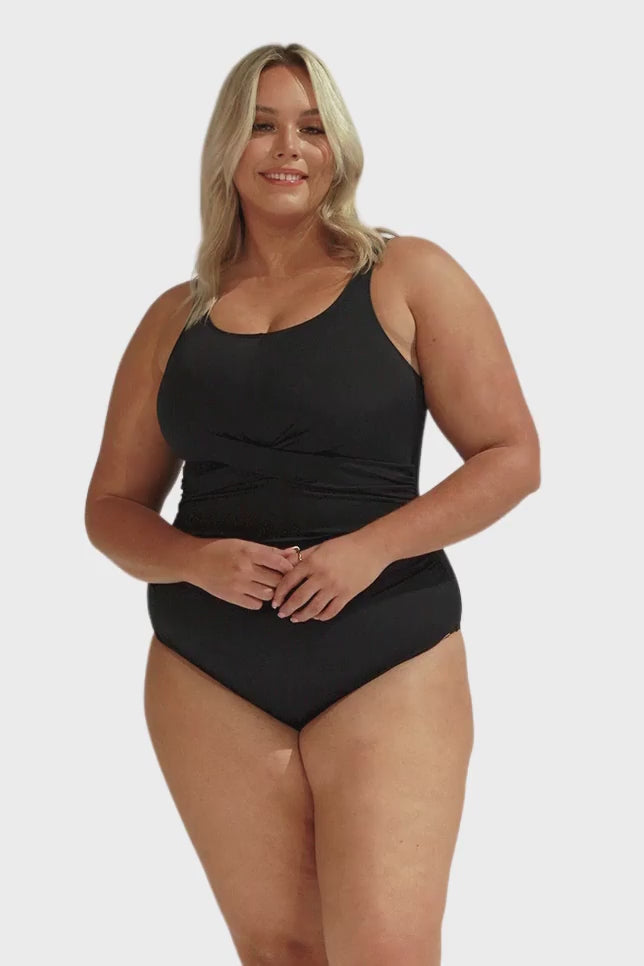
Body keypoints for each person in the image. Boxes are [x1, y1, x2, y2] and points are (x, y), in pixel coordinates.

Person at [85, 42, 540, 966]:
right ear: (227, 147)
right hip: (208, 667)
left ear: (340, 147)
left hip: (386, 645)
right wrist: (195, 559)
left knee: (387, 951)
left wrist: (370, 549)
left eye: (311, 126)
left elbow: (512, 457)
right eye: (262, 125)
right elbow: (111, 509)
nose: (288, 147)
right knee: (281, 952)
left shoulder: (409, 274)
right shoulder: (175, 317)